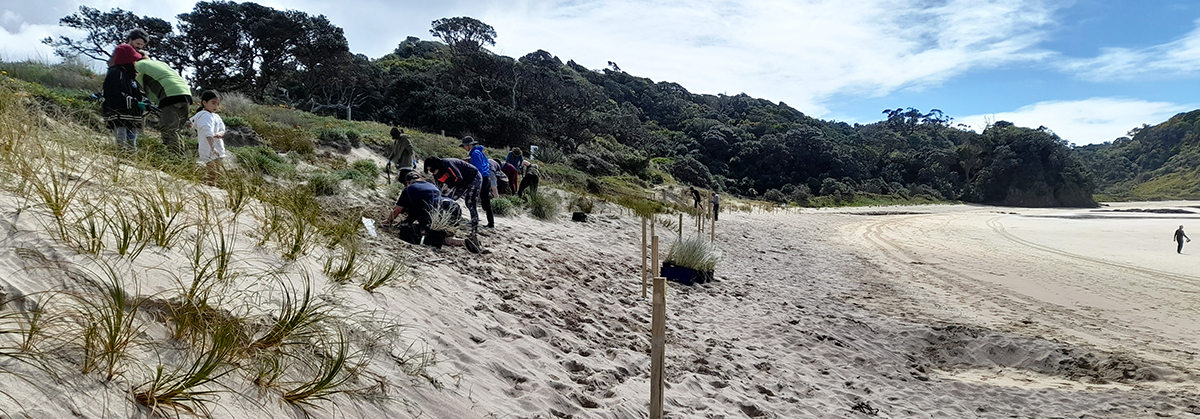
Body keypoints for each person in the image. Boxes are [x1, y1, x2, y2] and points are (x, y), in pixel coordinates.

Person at [134, 58, 192, 152]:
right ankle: (181, 157)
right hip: (186, 94)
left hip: (169, 94)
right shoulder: (160, 63)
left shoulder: (138, 65)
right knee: (177, 130)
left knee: (168, 130)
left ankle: (173, 159)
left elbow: (138, 88)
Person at [102, 44, 148, 150]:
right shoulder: (115, 73)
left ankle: (130, 162)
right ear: (128, 60)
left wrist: (144, 101)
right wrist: (134, 102)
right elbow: (114, 93)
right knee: (121, 143)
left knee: (132, 145)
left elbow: (136, 93)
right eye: (134, 59)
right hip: (119, 114)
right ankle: (120, 162)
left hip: (132, 116)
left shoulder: (130, 76)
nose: (135, 62)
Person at [424, 156, 482, 232]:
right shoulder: (437, 172)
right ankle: (444, 220)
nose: (431, 172)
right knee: (448, 200)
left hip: (473, 177)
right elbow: (438, 186)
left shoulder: (447, 164)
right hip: (462, 181)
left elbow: (458, 178)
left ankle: (475, 225)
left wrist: (449, 187)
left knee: (470, 202)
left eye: (431, 169)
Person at [387, 172, 443, 244]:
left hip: (431, 215)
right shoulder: (432, 186)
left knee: (428, 234)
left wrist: (389, 221)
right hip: (446, 211)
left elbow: (397, 209)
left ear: (408, 183)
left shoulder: (409, 189)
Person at [188, 91, 226, 184]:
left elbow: (222, 128)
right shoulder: (204, 115)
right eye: (213, 103)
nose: (216, 107)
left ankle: (211, 186)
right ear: (204, 103)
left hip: (218, 146)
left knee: (217, 172)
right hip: (209, 148)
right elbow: (207, 132)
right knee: (212, 173)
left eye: (217, 104)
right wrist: (212, 147)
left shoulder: (216, 116)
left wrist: (220, 133)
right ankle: (208, 188)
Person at [462, 137, 499, 229]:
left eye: (464, 146)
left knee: (470, 199)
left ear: (469, 146)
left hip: (481, 179)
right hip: (487, 179)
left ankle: (474, 220)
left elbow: (478, 169)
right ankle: (491, 223)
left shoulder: (474, 154)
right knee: (486, 201)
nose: (464, 148)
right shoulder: (479, 152)